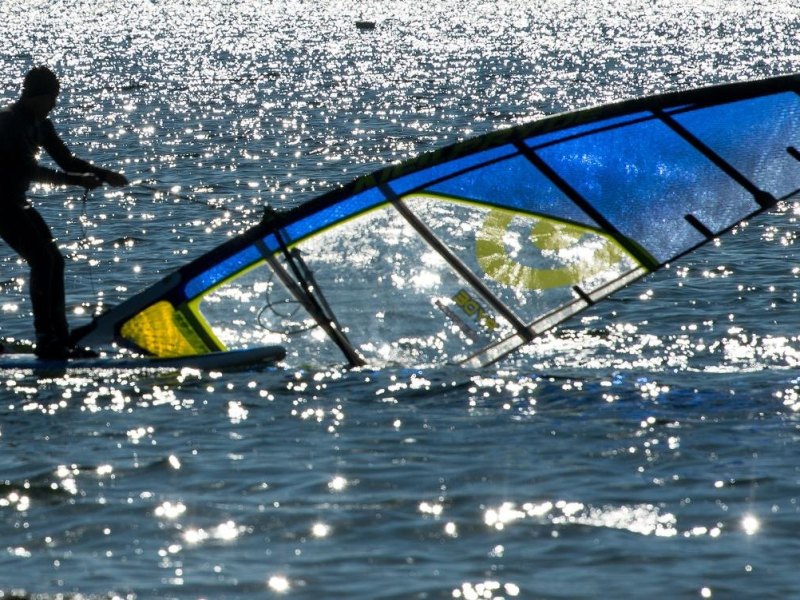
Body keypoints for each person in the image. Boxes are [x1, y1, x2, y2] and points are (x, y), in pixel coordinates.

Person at [0, 66, 128, 359]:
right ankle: (47, 340)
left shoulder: (41, 124)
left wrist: (104, 174)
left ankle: (61, 338)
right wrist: (76, 182)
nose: (54, 104)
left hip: (16, 201)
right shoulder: (8, 123)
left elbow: (65, 159)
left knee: (55, 261)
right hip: (1, 204)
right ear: (36, 96)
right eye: (52, 98)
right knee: (43, 261)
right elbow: (29, 171)